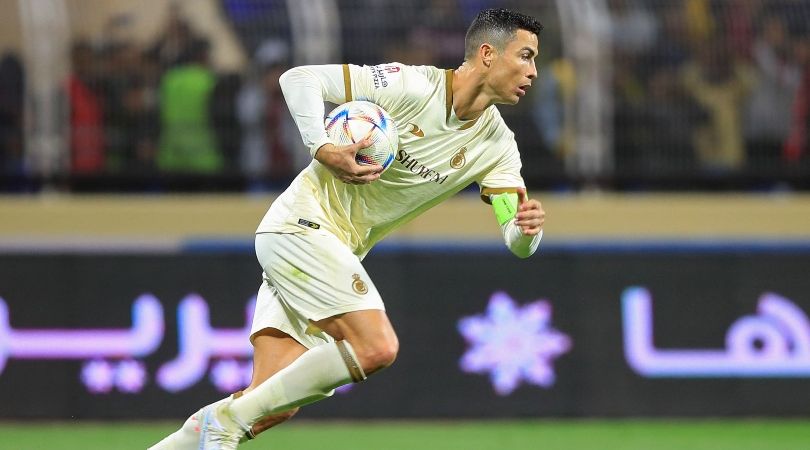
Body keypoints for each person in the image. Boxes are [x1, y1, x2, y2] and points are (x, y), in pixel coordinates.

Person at [149, 8, 545, 449]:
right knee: (376, 347)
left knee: (268, 406)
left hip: (324, 252)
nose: (532, 71)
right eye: (525, 56)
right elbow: (298, 79)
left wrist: (526, 231)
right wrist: (321, 147)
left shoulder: (498, 146)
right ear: (487, 54)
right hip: (300, 226)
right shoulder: (411, 85)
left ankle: (212, 427)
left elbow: (517, 240)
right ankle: (226, 420)